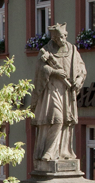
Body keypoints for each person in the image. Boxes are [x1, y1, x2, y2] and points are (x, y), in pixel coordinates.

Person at [30, 22, 86, 162]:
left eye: (64, 36)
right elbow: (40, 71)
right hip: (52, 90)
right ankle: (49, 152)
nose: (63, 39)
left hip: (67, 92)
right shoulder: (46, 51)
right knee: (57, 119)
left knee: (66, 121)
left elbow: (82, 69)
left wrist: (78, 81)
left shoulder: (72, 50)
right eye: (60, 37)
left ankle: (62, 152)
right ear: (54, 38)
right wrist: (55, 72)